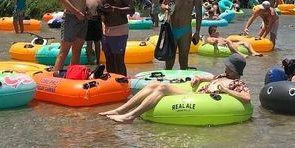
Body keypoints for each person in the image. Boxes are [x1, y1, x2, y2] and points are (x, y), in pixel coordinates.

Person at [101, 53, 251, 123]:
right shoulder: (221, 75)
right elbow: (209, 78)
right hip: (198, 93)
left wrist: (226, 91)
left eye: (228, 67)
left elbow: (247, 98)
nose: (225, 68)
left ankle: (130, 116)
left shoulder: (237, 84)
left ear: (235, 70)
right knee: (154, 84)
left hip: (203, 100)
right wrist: (198, 77)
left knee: (163, 88)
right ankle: (120, 110)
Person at [54, 0, 97, 75]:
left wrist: (86, 11)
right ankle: (55, 75)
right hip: (71, 18)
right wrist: (77, 11)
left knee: (77, 50)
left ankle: (73, 75)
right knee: (64, 51)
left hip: (82, 18)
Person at [162, 0, 203, 70]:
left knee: (184, 59)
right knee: (169, 58)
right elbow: (163, 4)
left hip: (186, 29)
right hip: (171, 28)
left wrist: (197, 32)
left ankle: (182, 83)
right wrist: (167, 7)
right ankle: (167, 82)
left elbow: (199, 13)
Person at [101, 0, 133, 76]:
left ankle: (123, 81)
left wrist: (114, 9)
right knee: (108, 58)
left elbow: (131, 9)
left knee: (119, 59)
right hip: (106, 29)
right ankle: (112, 82)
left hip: (119, 29)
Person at [85, 0, 104, 68]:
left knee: (89, 42)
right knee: (97, 42)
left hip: (87, 20)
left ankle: (90, 62)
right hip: (97, 19)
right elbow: (102, 10)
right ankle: (98, 61)